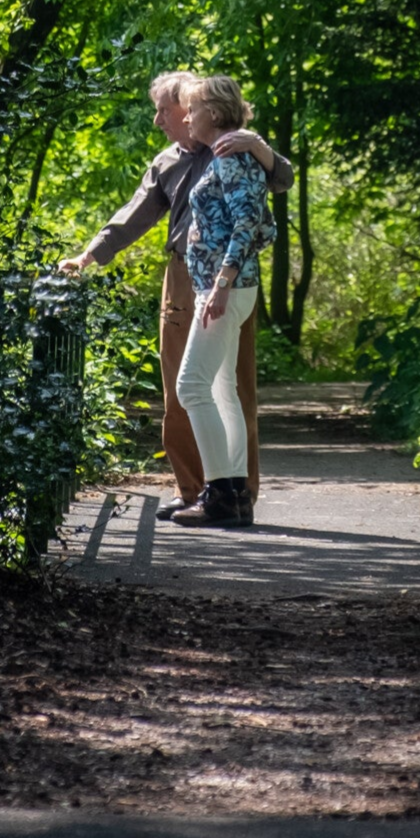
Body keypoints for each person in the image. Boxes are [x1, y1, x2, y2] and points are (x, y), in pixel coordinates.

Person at [59, 70, 292, 519]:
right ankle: (194, 489)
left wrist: (261, 147)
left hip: (226, 278)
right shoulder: (167, 161)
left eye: (165, 109)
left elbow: (274, 187)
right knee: (183, 387)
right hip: (185, 274)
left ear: (191, 108)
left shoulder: (232, 146)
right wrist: (87, 256)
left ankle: (234, 492)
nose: (158, 119)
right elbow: (133, 215)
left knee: (230, 387)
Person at [172, 74, 272, 529]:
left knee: (190, 386)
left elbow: (248, 223)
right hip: (226, 287)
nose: (186, 117)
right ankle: (234, 496)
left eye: (191, 109)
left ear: (212, 111)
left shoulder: (233, 157)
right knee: (221, 390)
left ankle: (217, 496)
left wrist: (222, 282)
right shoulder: (230, 153)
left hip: (225, 289)